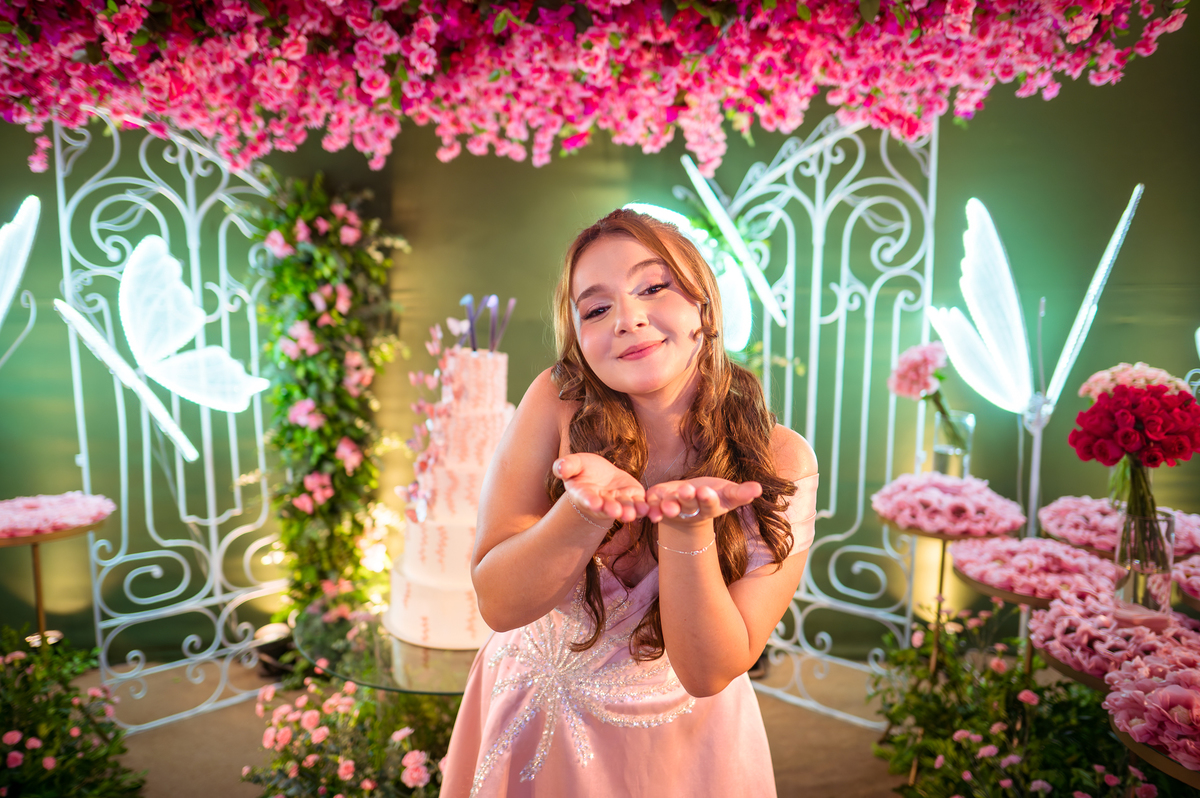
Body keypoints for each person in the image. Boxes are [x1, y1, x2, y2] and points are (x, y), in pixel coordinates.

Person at [438, 209, 819, 798]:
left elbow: (710, 670)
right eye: (596, 309)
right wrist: (583, 512)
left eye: (652, 287)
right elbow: (498, 603)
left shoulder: (780, 457)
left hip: (679, 743)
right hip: (534, 718)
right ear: (580, 340)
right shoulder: (556, 398)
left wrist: (689, 532)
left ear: (704, 309)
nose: (628, 319)